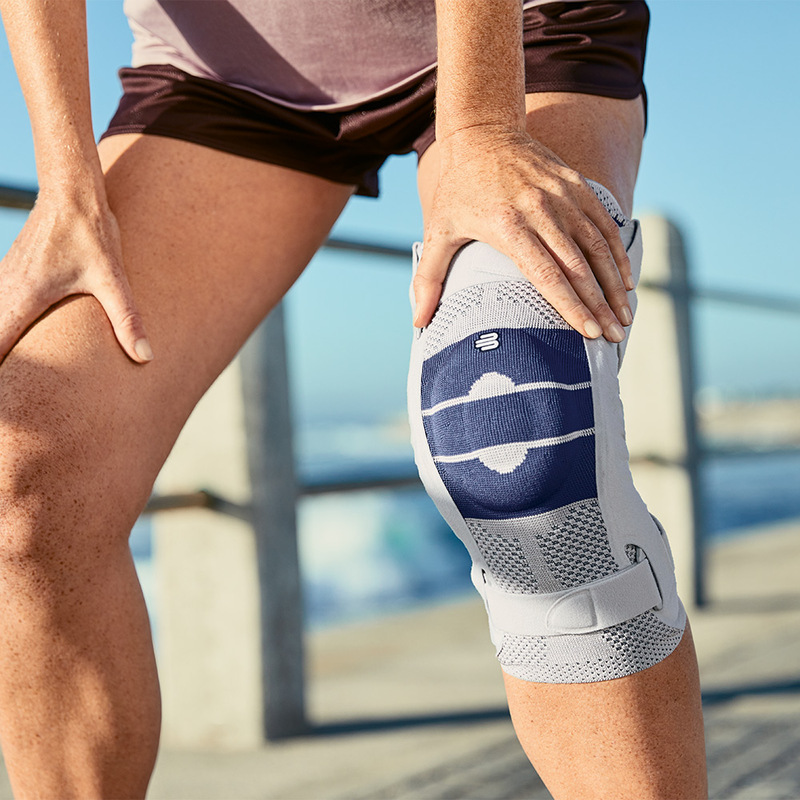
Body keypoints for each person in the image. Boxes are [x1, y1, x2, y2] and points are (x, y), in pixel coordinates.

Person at [0, 0, 707, 797]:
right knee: (30, 476)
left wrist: (478, 128)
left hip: (516, 31)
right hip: (228, 71)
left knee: (520, 444)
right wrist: (67, 186)